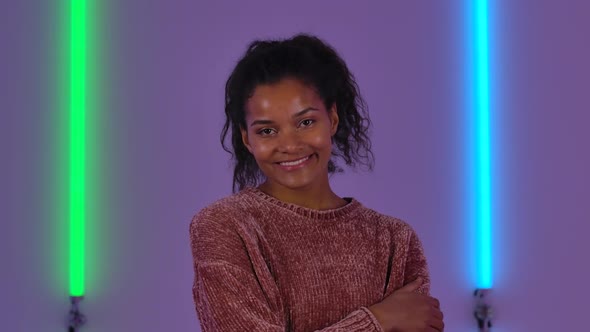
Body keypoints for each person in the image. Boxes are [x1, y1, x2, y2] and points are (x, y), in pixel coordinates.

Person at [189, 34, 444, 332]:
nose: (290, 145)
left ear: (332, 119)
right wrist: (380, 320)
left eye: (306, 122)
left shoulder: (395, 240)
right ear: (247, 139)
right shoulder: (225, 226)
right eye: (267, 131)